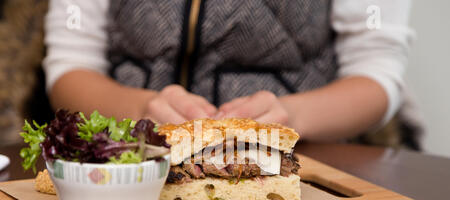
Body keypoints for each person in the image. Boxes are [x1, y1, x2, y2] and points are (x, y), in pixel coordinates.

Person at [44, 0, 415, 144]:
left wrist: (293, 115)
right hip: (130, 160)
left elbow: (376, 70)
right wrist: (142, 111)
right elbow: (71, 64)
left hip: (308, 164)